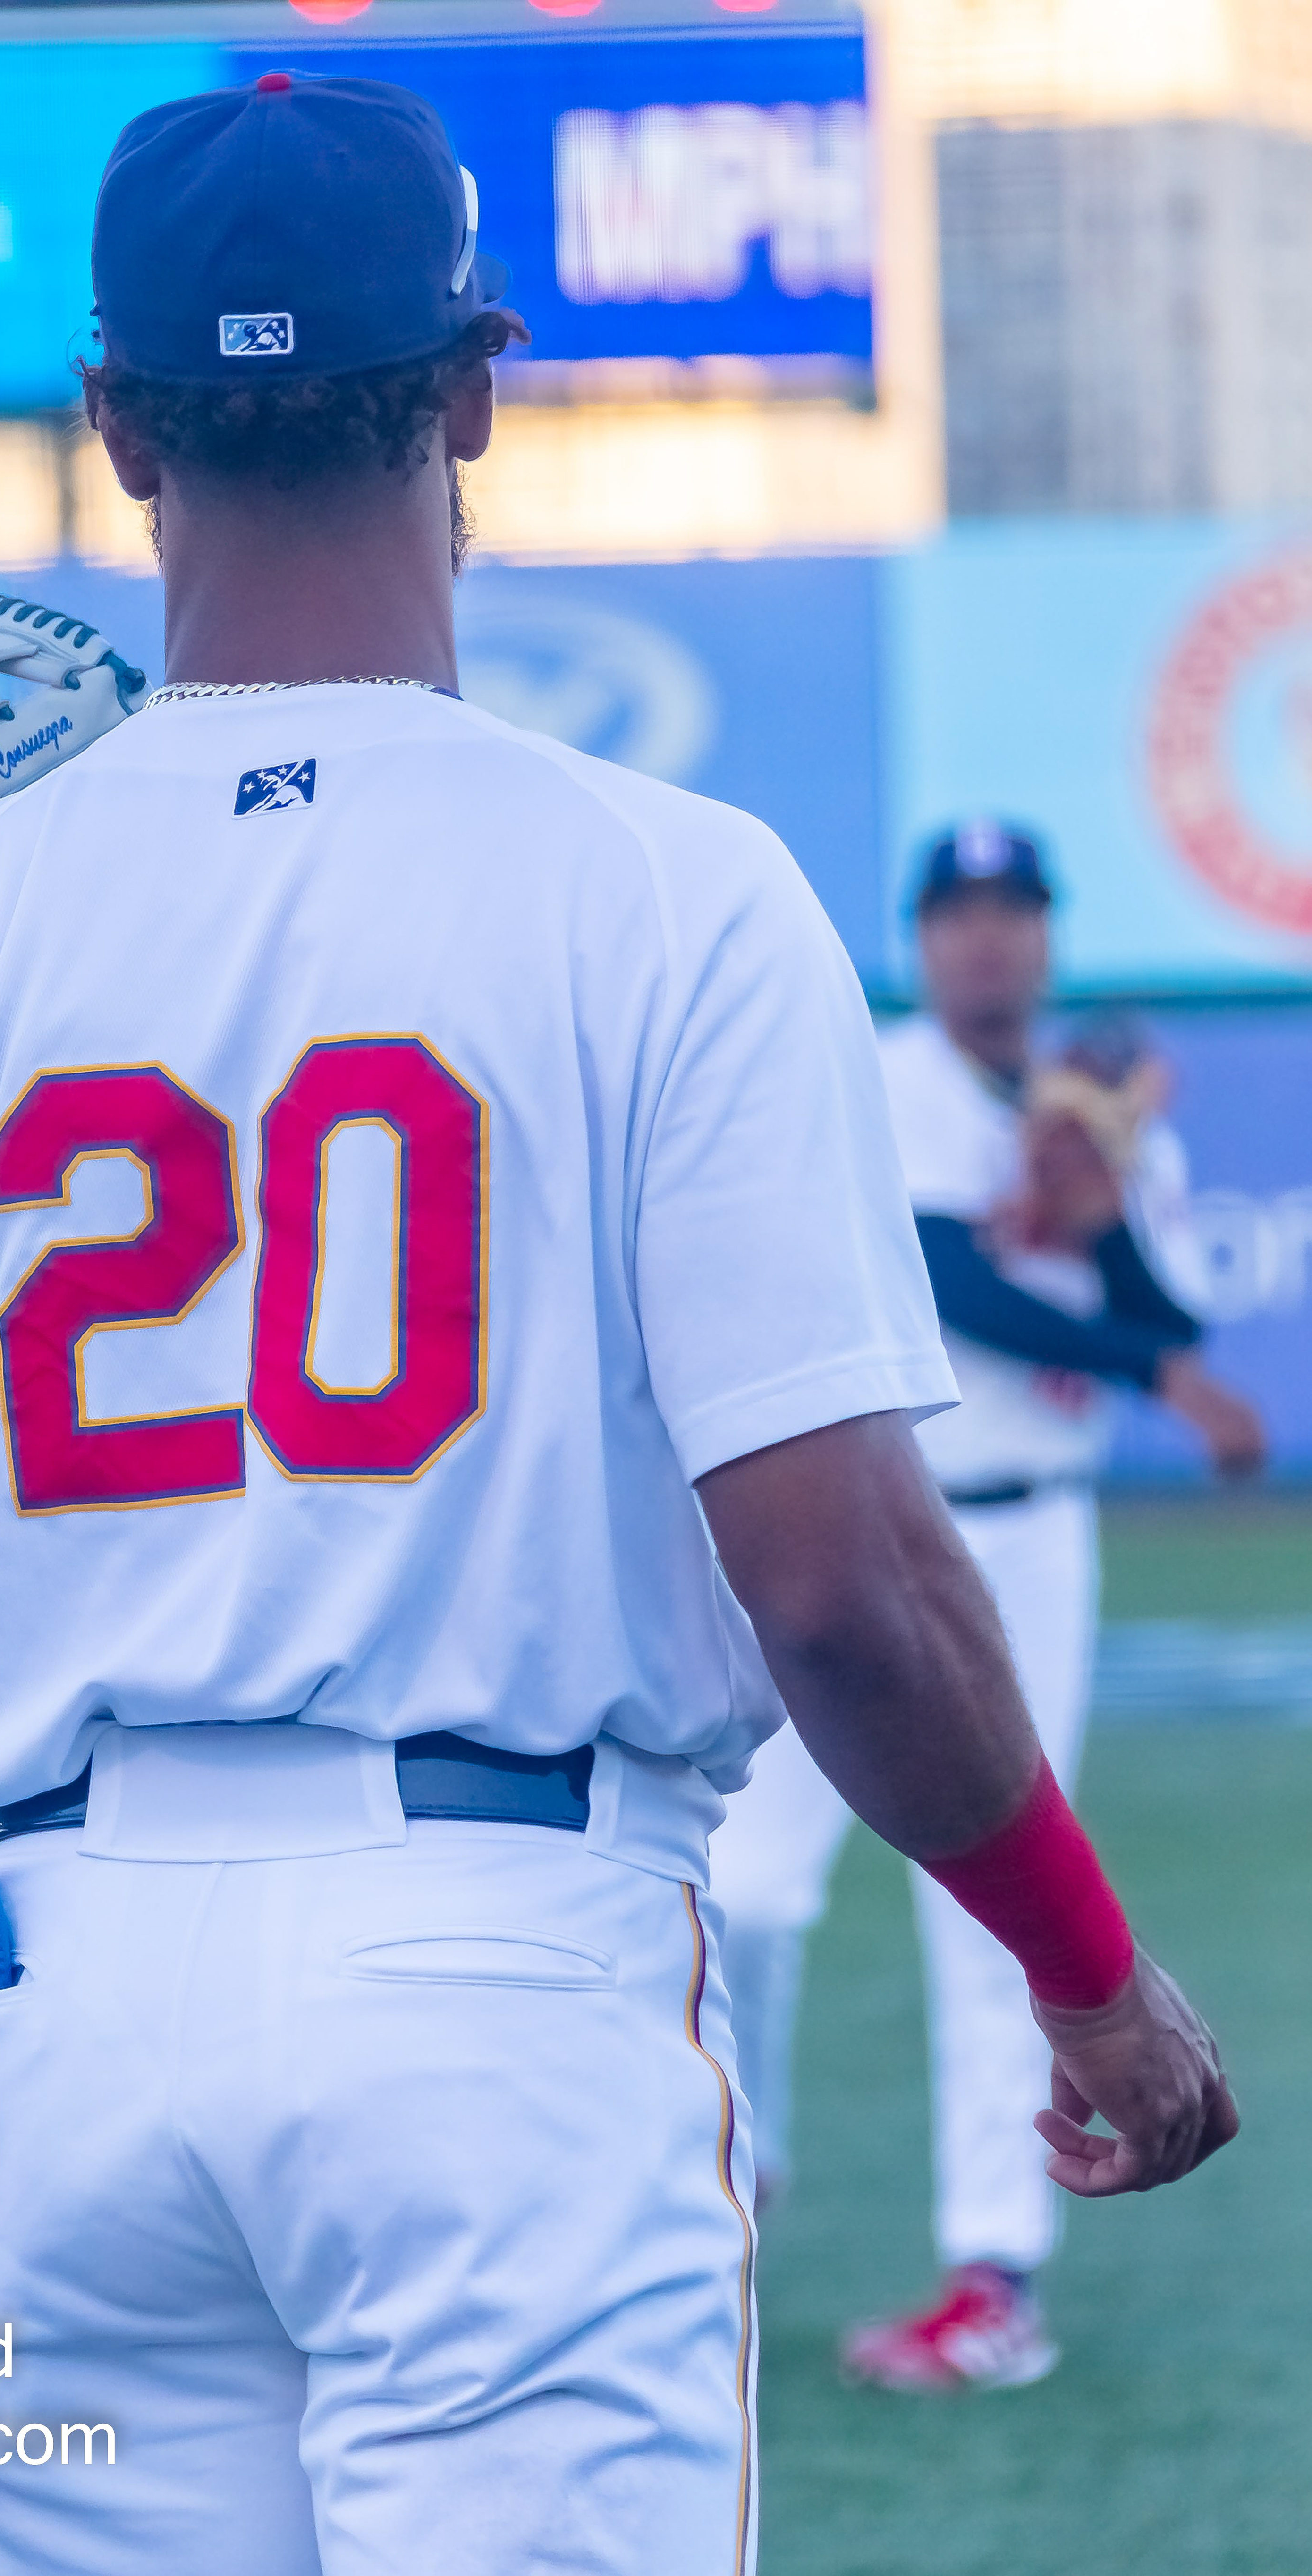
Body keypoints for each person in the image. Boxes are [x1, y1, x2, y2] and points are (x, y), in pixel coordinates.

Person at [0, 84, 1235, 2576]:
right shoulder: (676, 895)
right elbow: (842, 1585)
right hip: (497, 1967)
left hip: (53, 2018)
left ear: (116, 422)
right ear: (476, 389)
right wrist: (1088, 1973)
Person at [712, 819, 1264, 2395]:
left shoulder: (1100, 1115)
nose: (985, 939)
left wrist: (1101, 1218)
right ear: (926, 940)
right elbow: (951, 1275)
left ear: (1046, 934)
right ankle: (734, 2178)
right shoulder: (888, 1075)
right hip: (866, 1542)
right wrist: (1154, 1358)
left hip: (1031, 1546)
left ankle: (993, 2279)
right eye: (956, 913)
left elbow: (1167, 1301)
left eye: (1013, 910)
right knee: (742, 1887)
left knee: (999, 1928)